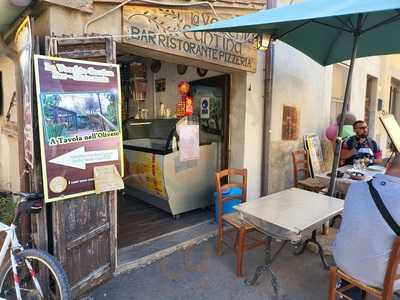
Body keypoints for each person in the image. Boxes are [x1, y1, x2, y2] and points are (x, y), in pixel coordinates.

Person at [332, 153, 400, 298]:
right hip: (383, 277)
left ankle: (350, 290)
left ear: (387, 166)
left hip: (343, 260)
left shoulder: (355, 188)